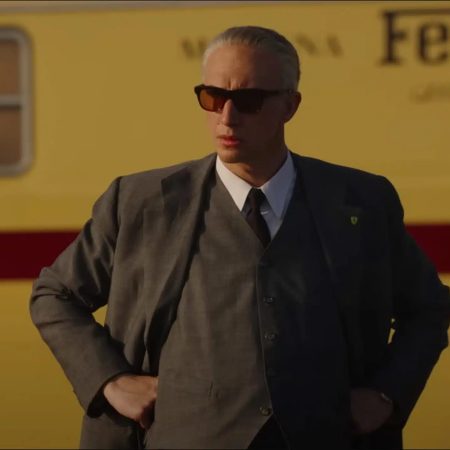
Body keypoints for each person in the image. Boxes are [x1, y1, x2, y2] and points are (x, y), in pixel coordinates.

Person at [30, 26, 450, 450]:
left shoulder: (361, 201)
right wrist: (111, 381)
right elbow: (54, 295)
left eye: (248, 101)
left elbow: (429, 309)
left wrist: (386, 395)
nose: (227, 118)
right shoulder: (140, 202)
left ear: (290, 105)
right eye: (213, 97)